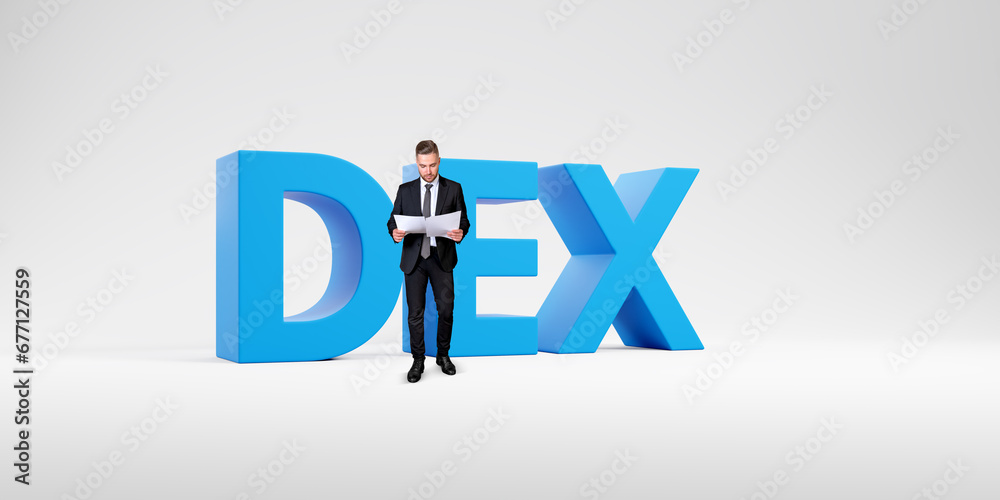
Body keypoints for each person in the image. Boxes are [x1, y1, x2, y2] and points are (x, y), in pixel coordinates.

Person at [387, 140, 470, 383]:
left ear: (438, 161)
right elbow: (392, 221)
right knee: (415, 313)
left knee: (446, 309)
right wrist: (394, 232)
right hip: (414, 259)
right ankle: (418, 360)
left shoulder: (453, 188)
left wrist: (460, 232)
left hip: (441, 258)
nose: (428, 171)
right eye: (423, 166)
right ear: (417, 163)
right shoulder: (405, 190)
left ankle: (443, 356)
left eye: (432, 165)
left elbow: (464, 220)